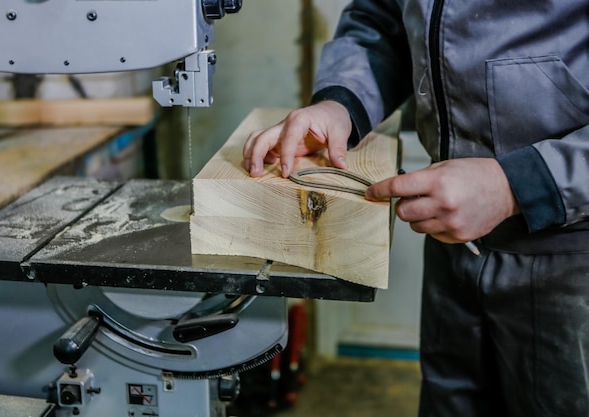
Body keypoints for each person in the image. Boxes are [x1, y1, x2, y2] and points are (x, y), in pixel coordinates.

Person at [242, 1, 589, 416]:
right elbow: (382, 18)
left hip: (572, 255)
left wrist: (518, 185)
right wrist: (340, 102)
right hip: (455, 246)